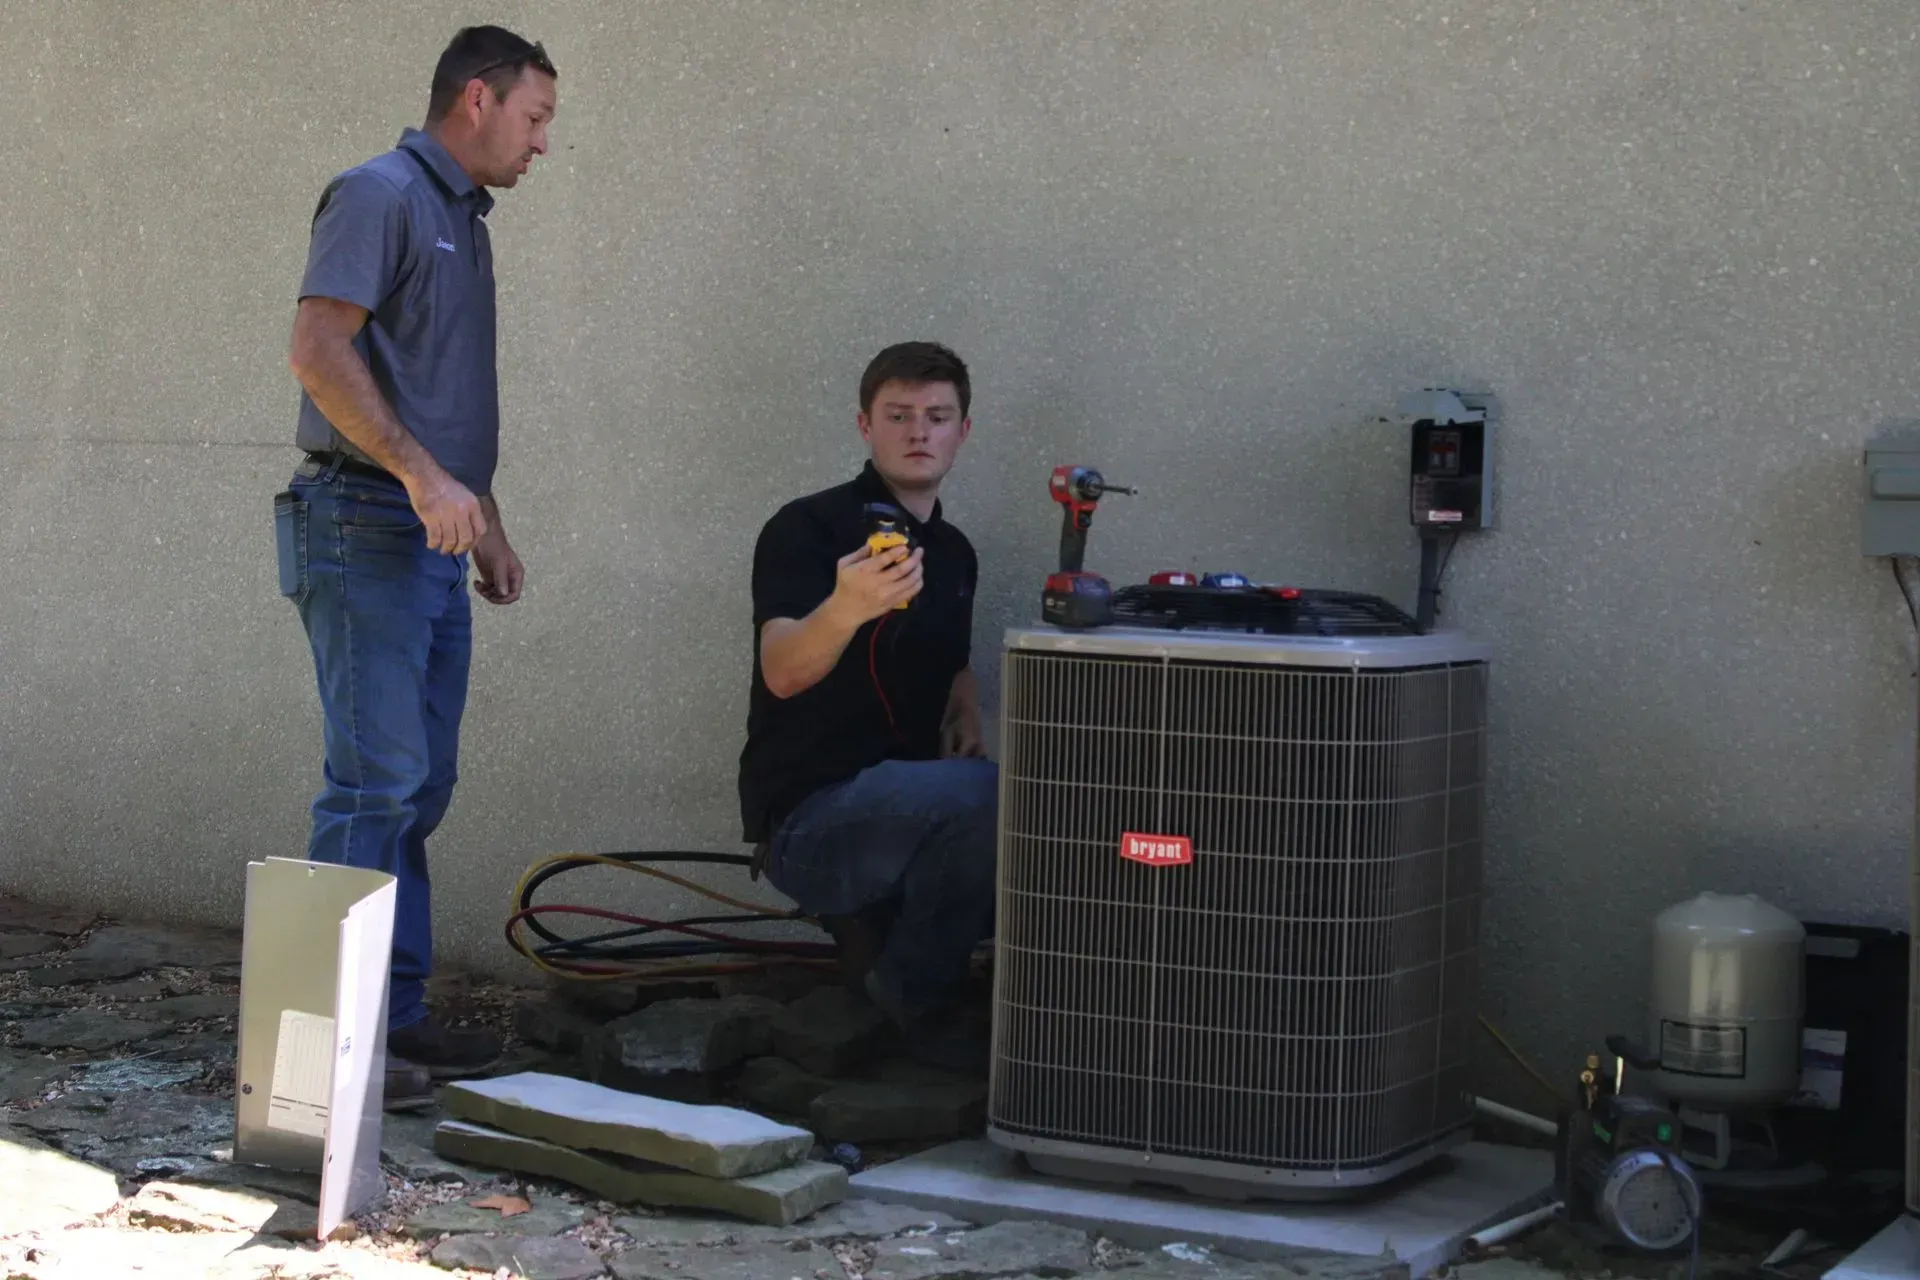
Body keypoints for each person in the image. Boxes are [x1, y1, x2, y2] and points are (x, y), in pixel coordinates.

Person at [274, 26, 558, 1099]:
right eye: (535, 118)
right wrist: (423, 482)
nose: (542, 145)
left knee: (419, 784)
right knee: (373, 782)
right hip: (363, 523)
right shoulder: (379, 192)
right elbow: (318, 349)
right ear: (476, 99)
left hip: (432, 541)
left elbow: (427, 389)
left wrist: (480, 515)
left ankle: (391, 1019)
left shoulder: (462, 222)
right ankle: (324, 1049)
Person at [738, 341, 997, 1072]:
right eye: (899, 415)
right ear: (865, 426)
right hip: (810, 821)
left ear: (962, 432)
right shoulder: (808, 528)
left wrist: (966, 703)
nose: (919, 432)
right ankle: (910, 997)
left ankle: (900, 976)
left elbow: (949, 658)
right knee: (988, 795)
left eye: (938, 416)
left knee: (1040, 822)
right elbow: (784, 672)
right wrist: (847, 608)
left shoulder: (954, 553)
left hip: (908, 812)